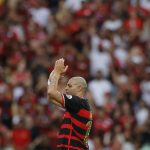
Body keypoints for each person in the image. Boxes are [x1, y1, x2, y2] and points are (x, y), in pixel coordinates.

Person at [47, 58, 93, 150]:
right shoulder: (79, 105)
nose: (66, 88)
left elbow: (51, 92)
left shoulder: (78, 102)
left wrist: (56, 72)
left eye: (70, 85)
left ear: (79, 88)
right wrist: (53, 76)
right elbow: (51, 98)